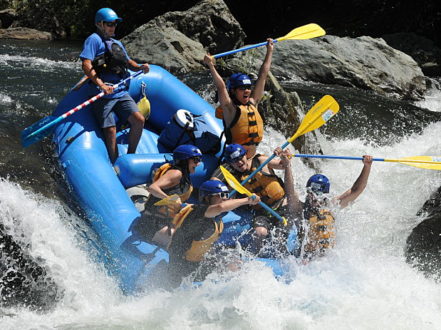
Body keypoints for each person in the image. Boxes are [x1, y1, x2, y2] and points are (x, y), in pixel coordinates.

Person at [79, 7, 150, 163]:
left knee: (139, 120)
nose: (113, 27)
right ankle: (114, 162)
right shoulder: (94, 40)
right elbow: (86, 64)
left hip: (120, 90)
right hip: (102, 93)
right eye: (110, 24)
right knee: (111, 129)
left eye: (115, 24)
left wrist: (139, 67)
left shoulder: (116, 43)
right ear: (100, 24)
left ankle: (130, 157)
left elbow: (127, 62)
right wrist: (101, 85)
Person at [167, 180, 260, 287]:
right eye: (222, 195)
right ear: (207, 198)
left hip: (197, 262)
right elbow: (220, 207)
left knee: (234, 261)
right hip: (182, 267)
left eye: (227, 195)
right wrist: (247, 200)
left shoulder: (217, 219)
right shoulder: (198, 212)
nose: (226, 198)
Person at [211, 143, 296, 256]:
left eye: (240, 158)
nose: (239, 162)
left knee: (281, 236)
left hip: (282, 205)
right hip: (262, 212)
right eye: (235, 161)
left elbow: (283, 165)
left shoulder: (261, 161)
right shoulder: (234, 181)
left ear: (245, 155)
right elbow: (223, 195)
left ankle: (283, 257)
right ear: (230, 164)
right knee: (259, 233)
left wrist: (284, 156)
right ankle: (255, 257)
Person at [291, 155, 374, 259]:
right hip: (306, 257)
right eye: (311, 193)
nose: (315, 198)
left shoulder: (332, 206)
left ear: (325, 195)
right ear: (307, 192)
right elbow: (290, 191)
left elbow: (356, 190)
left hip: (328, 260)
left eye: (319, 194)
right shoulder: (300, 208)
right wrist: (287, 165)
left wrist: (367, 166)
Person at [203, 39, 274, 159]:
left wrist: (269, 51)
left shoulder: (253, 103)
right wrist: (211, 65)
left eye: (248, 87)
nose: (247, 90)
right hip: (235, 160)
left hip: (251, 157)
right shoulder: (230, 108)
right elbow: (221, 86)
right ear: (233, 91)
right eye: (242, 88)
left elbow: (263, 75)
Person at [129, 144, 203, 248]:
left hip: (164, 222)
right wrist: (168, 199)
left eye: (199, 159)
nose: (198, 163)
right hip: (151, 223)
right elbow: (153, 188)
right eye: (195, 160)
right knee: (182, 244)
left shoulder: (185, 177)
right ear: (184, 160)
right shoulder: (176, 173)